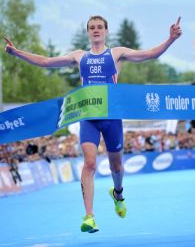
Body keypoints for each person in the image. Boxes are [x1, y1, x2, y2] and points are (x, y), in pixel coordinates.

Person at [4, 15, 182, 233]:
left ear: (106, 31)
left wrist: (170, 39)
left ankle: (118, 193)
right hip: (88, 118)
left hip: (111, 117)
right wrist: (16, 52)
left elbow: (150, 55)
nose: (96, 30)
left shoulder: (116, 53)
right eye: (92, 27)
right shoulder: (79, 57)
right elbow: (45, 62)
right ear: (88, 32)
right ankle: (89, 217)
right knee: (89, 164)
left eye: (99, 27)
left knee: (116, 166)